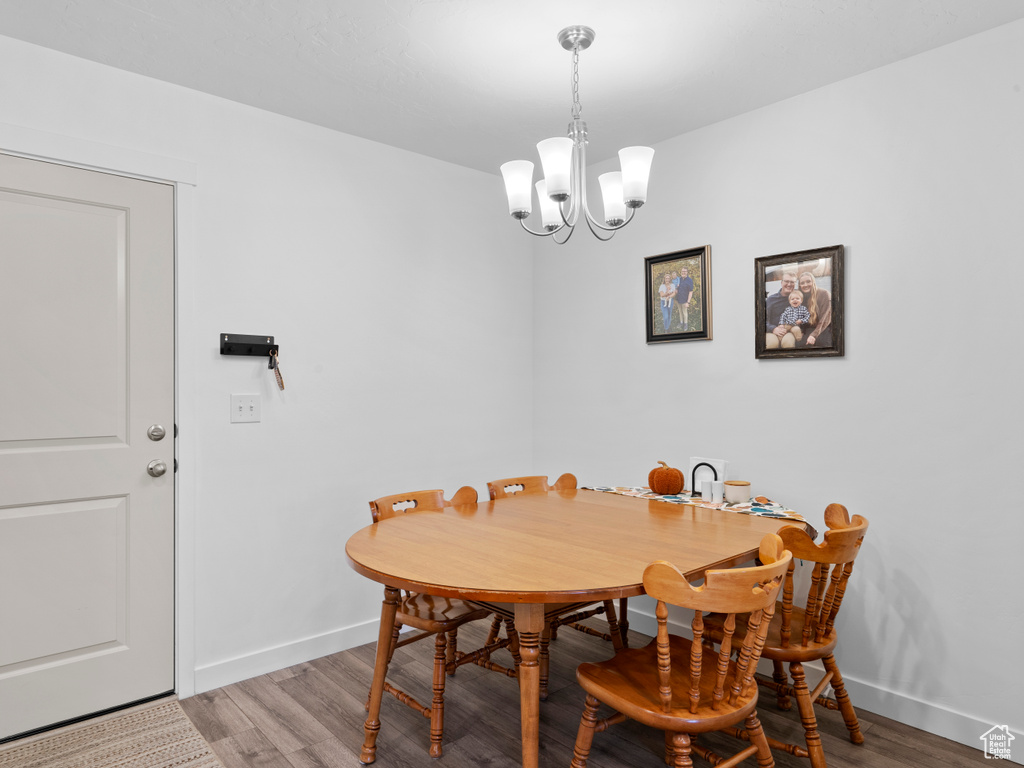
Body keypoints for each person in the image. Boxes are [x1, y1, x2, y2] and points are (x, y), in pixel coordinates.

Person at [796, 271, 832, 347]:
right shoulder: (800, 298)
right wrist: (802, 330)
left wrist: (813, 335)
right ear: (799, 285)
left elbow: (825, 319)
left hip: (825, 329)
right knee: (801, 344)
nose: (805, 285)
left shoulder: (824, 294)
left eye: (808, 281)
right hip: (810, 329)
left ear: (813, 282)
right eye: (802, 283)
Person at [764, 271, 798, 349]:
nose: (789, 284)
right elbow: (762, 320)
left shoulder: (798, 299)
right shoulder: (771, 300)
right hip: (772, 331)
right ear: (781, 282)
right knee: (772, 344)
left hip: (789, 331)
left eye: (792, 282)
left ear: (795, 284)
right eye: (786, 281)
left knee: (788, 343)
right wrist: (773, 328)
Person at [675, 266, 695, 331]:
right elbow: (676, 288)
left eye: (684, 271)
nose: (683, 272)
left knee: (685, 313)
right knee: (680, 312)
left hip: (685, 300)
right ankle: (681, 322)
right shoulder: (678, 279)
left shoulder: (690, 280)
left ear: (687, 272)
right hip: (678, 299)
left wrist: (688, 302)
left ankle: (685, 324)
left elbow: (691, 292)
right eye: (682, 271)